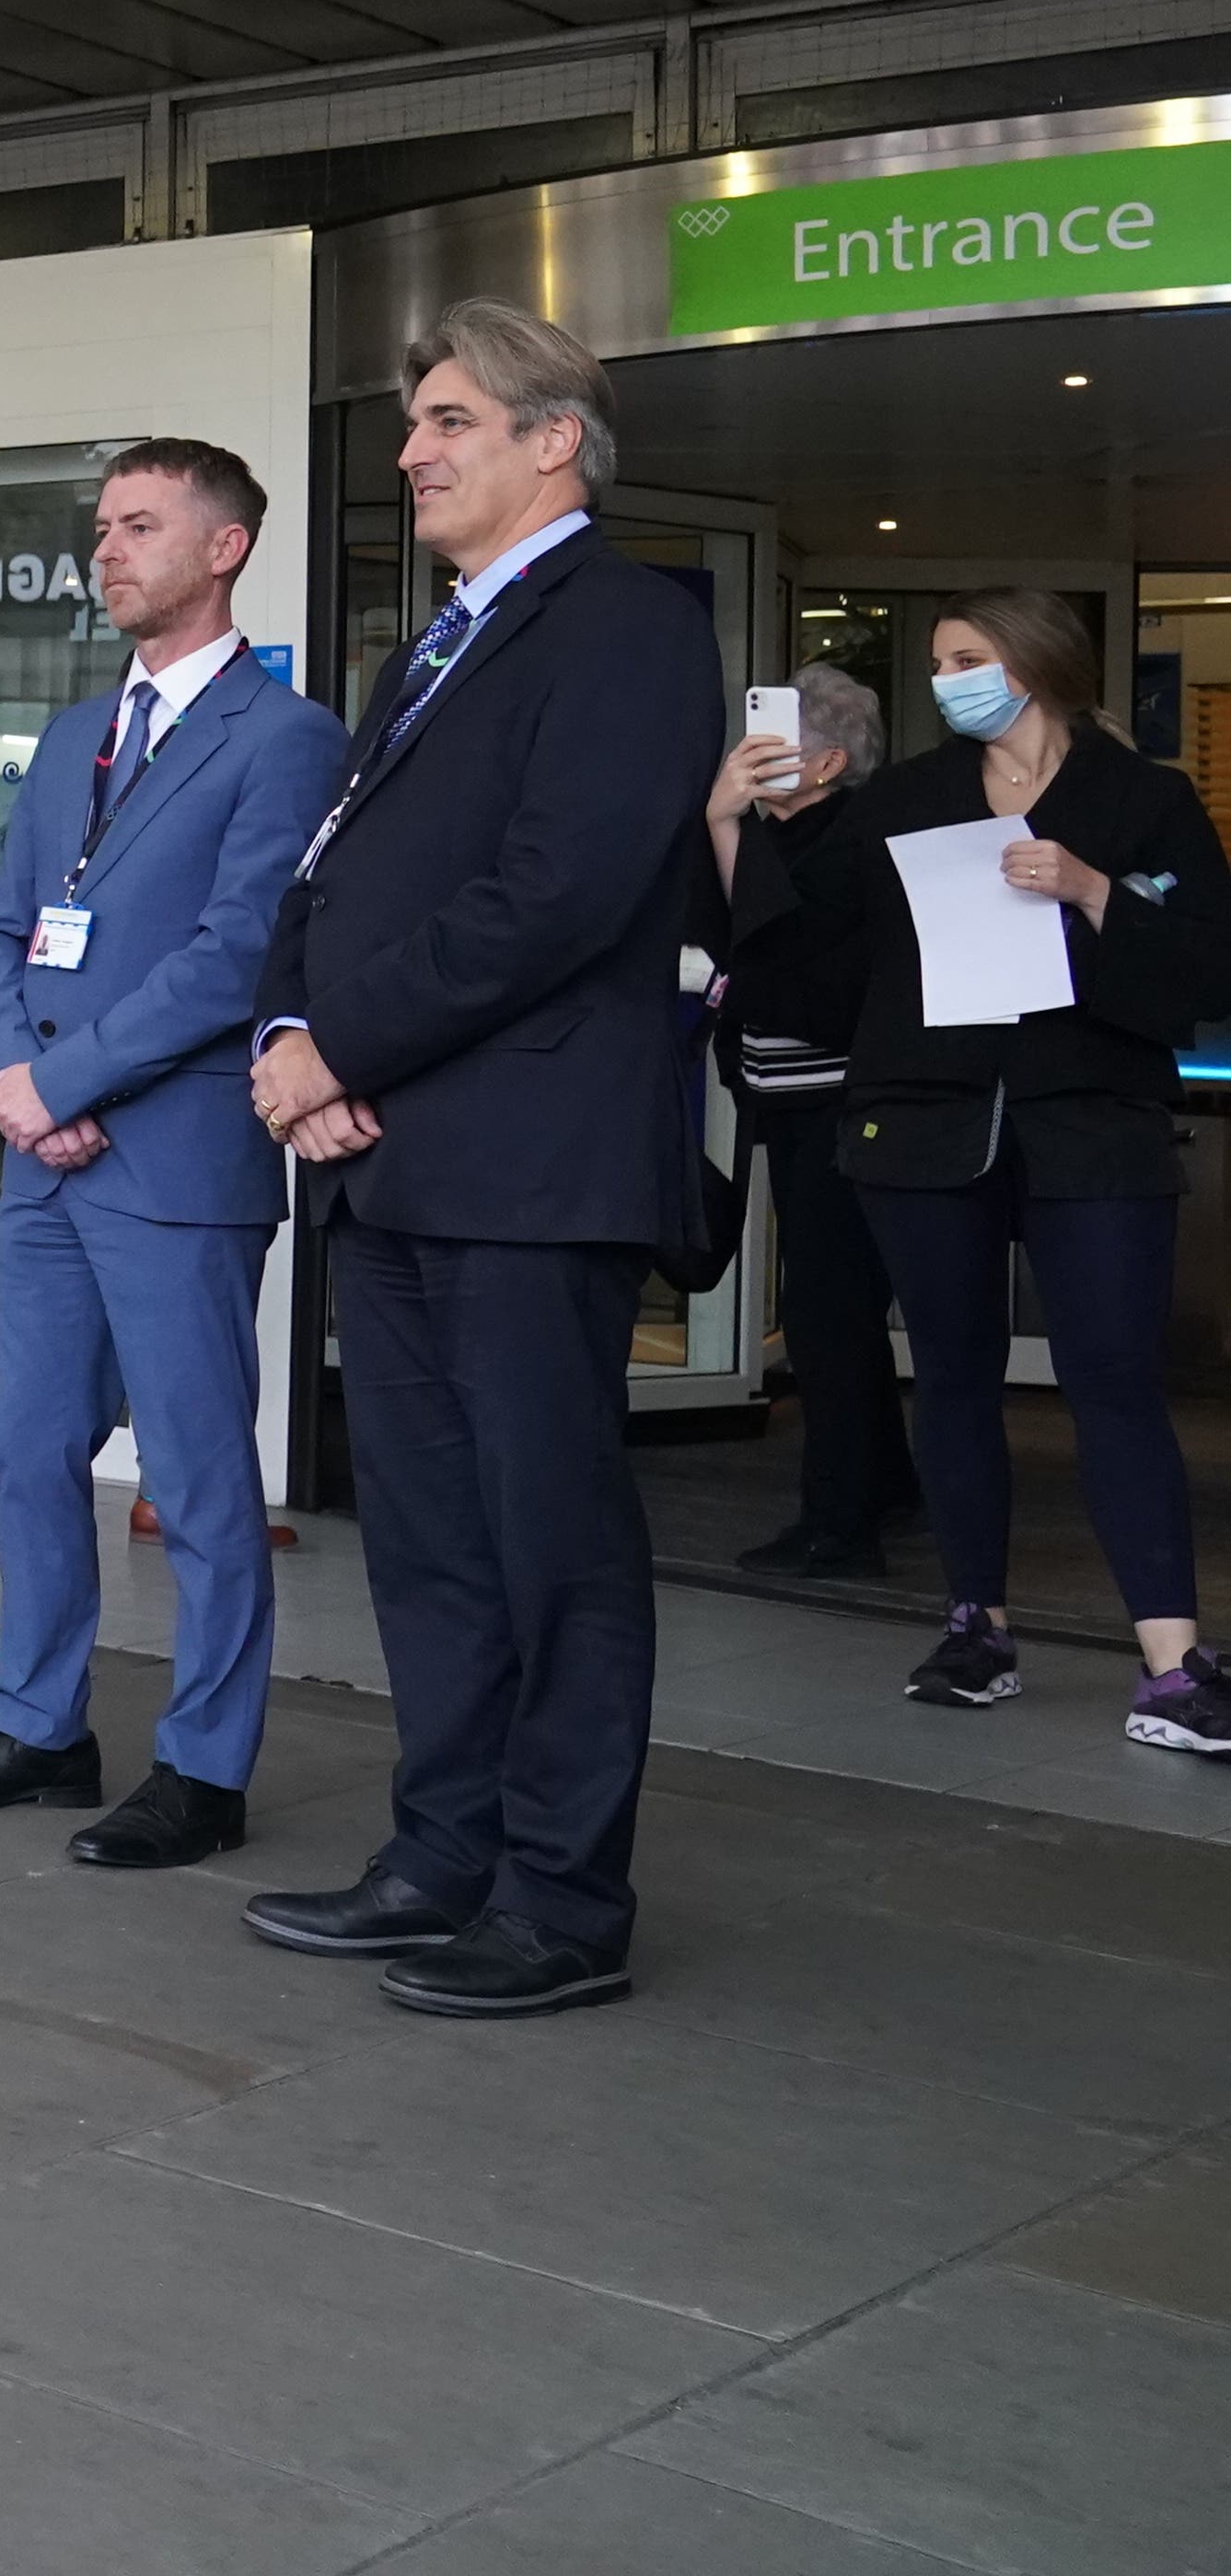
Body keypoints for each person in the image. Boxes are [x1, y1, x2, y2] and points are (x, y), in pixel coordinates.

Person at [239, 299, 719, 2019]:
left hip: (527, 1166)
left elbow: (560, 892)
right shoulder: (428, 643)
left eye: (448, 421)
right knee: (431, 1547)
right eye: (414, 425)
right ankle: (441, 1860)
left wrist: (343, 1047)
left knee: (552, 1543)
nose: (415, 454)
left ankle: (562, 1904)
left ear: (552, 440)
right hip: (395, 1161)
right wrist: (289, 1045)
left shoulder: (629, 626)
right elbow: (326, 879)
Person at [0, 439, 343, 1869]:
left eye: (140, 526)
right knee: (29, 1458)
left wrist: (66, 1077)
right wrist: (20, 1080)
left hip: (176, 1162)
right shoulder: (77, 728)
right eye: (99, 529)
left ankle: (204, 1769)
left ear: (226, 549)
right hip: (48, 1158)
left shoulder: (285, 737)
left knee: (200, 1487)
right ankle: (39, 1731)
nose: (107, 552)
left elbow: (232, 956)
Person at [721, 592, 1231, 1756]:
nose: (947, 680)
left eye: (966, 659)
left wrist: (1095, 892)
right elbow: (801, 961)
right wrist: (727, 822)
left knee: (1113, 1380)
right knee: (951, 1377)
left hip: (1092, 1125)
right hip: (923, 1123)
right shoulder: (904, 801)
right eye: (945, 661)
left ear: (1039, 665)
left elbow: (1207, 963)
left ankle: (1172, 1661)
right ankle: (976, 1625)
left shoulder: (1144, 797)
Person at [703, 663, 914, 1579]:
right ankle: (885, 1483)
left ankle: (840, 1523)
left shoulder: (856, 839)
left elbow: (781, 957)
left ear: (828, 762)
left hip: (844, 1105)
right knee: (833, 1305)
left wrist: (721, 823)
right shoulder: (765, 834)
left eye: (779, 738)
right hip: (782, 1100)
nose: (755, 754)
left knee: (829, 1310)